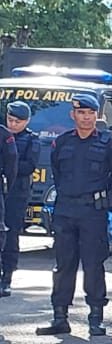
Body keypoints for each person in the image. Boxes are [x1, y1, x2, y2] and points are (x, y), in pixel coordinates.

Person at [33, 94, 112, 336]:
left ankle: (95, 318)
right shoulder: (62, 143)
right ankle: (60, 317)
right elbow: (57, 171)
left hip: (93, 213)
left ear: (97, 115)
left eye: (91, 113)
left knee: (94, 265)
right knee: (64, 265)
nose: (86, 117)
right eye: (81, 113)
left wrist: (105, 204)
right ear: (73, 115)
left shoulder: (107, 143)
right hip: (65, 211)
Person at [2, 101, 37, 297]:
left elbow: (29, 166)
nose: (13, 124)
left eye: (18, 121)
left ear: (26, 121)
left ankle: (6, 277)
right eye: (10, 120)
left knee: (10, 233)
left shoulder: (31, 140)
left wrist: (9, 165)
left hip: (16, 193)